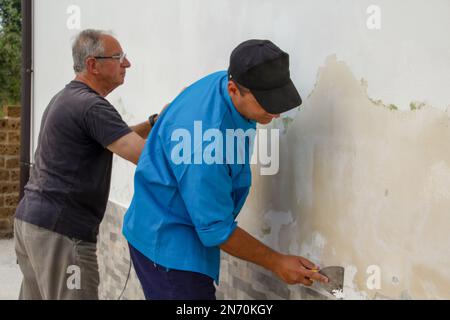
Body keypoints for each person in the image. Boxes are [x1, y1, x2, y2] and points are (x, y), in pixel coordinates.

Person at [122, 39, 329, 300]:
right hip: (167, 247)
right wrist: (277, 262)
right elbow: (215, 229)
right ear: (234, 89)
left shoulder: (225, 83)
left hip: (175, 226)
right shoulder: (204, 143)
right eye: (267, 103)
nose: (275, 114)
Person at [14, 29, 161, 300]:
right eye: (119, 57)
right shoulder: (91, 106)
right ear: (93, 65)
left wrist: (153, 123)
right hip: (61, 232)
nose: (127, 64)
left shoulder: (68, 98)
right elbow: (143, 155)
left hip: (33, 224)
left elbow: (116, 136)